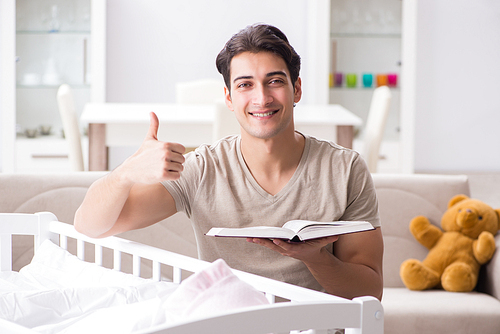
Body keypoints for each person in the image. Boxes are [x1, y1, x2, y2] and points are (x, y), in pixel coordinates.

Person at [74, 24, 383, 301]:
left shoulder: (345, 170)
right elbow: (90, 227)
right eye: (245, 85)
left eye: (274, 81)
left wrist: (316, 258)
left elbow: (370, 292)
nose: (262, 98)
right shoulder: (201, 169)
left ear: (296, 89)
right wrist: (125, 174)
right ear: (229, 97)